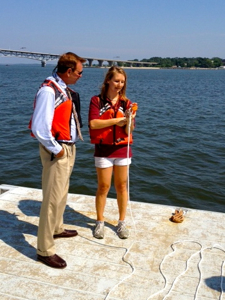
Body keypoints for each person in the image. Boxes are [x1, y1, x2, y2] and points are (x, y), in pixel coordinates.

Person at [29, 52, 86, 268]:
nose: (81, 76)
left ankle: (57, 228)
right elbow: (40, 127)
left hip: (67, 147)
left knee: (61, 194)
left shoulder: (61, 88)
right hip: (58, 149)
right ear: (69, 71)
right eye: (79, 72)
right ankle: (44, 249)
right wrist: (58, 150)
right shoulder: (48, 91)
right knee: (51, 200)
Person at [88, 66, 137, 239]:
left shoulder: (127, 103)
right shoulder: (96, 101)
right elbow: (93, 124)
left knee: (122, 186)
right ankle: (100, 222)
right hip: (103, 150)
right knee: (103, 186)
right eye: (116, 81)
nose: (119, 85)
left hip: (122, 149)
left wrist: (129, 119)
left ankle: (121, 222)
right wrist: (117, 120)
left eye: (122, 82)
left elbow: (128, 131)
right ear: (108, 80)